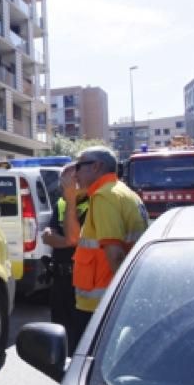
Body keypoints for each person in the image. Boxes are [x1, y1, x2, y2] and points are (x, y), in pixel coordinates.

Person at [61, 146, 148, 345]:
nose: (75, 173)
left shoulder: (104, 196)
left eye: (79, 166)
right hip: (106, 303)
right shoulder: (123, 192)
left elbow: (115, 255)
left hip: (101, 306)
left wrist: (120, 302)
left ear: (97, 166)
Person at [40, 164, 89, 353]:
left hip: (82, 281)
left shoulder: (93, 204)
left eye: (67, 182)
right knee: (61, 334)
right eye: (62, 182)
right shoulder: (62, 203)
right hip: (60, 280)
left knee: (81, 336)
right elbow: (49, 235)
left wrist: (65, 240)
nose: (63, 187)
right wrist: (66, 240)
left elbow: (73, 239)